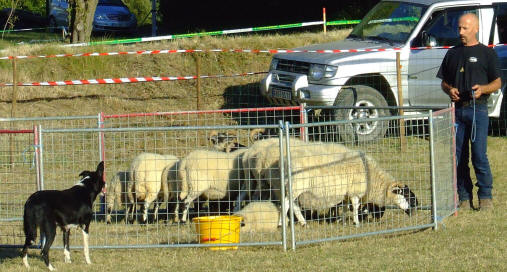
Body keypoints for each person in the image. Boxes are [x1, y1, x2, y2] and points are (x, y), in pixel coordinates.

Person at [437, 13, 502, 211]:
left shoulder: (487, 53)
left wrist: (483, 89)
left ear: (475, 29)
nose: (461, 32)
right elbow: (444, 82)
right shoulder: (452, 53)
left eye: (465, 28)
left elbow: (498, 82)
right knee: (458, 156)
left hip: (478, 110)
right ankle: (464, 198)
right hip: (457, 111)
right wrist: (450, 90)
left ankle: (485, 196)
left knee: (479, 155)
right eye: (459, 28)